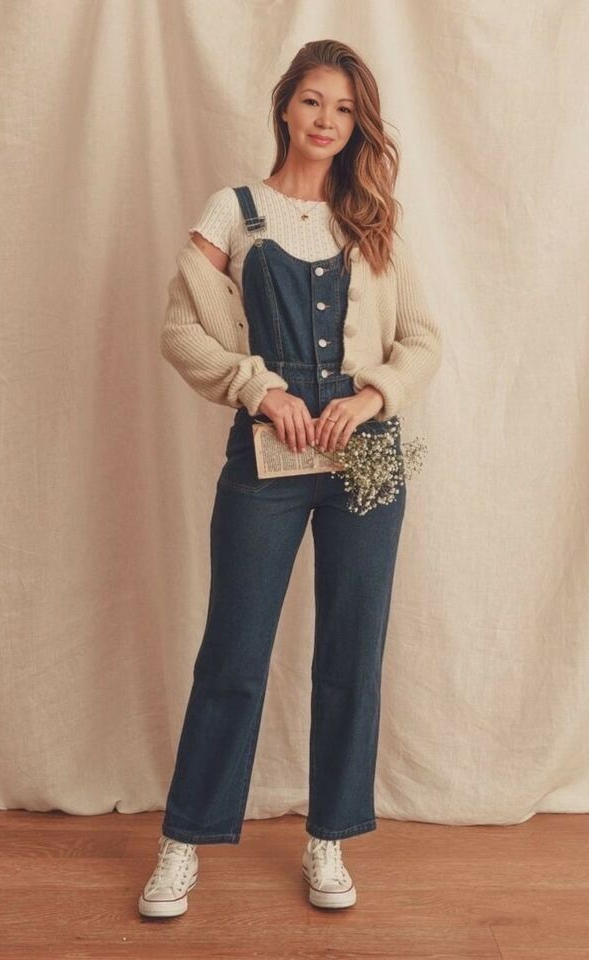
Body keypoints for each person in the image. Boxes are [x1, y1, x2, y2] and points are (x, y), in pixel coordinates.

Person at [139, 39, 442, 918]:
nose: (326, 121)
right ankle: (183, 841)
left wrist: (374, 394)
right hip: (266, 460)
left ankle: (329, 838)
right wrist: (257, 388)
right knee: (233, 654)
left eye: (344, 109)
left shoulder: (372, 219)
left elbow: (421, 338)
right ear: (285, 106)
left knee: (353, 655)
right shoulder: (234, 212)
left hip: (366, 461)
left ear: (358, 124)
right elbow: (181, 329)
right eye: (314, 101)